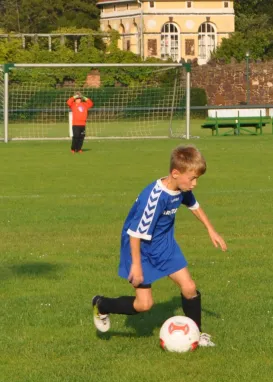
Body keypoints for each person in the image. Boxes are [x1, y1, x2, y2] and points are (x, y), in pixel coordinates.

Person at [92, 145, 227, 347]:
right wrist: (136, 265)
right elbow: (135, 234)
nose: (195, 184)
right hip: (140, 250)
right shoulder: (154, 199)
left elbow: (194, 206)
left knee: (189, 287)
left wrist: (211, 229)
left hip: (165, 245)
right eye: (192, 179)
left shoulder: (181, 188)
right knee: (144, 304)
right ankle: (102, 304)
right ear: (175, 173)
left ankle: (197, 335)